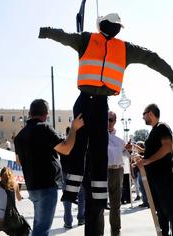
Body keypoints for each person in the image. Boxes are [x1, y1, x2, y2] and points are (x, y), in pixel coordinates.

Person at [38, 13, 173, 236]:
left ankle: (91, 198)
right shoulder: (100, 43)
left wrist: (45, 32)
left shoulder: (102, 43)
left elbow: (152, 58)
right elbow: (152, 58)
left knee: (93, 150)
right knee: (85, 148)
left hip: (96, 103)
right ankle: (74, 193)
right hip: (92, 103)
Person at [14, 99, 84, 236]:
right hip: (46, 186)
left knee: (39, 224)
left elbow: (18, 162)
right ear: (46, 114)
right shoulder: (44, 128)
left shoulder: (20, 136)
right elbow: (65, 148)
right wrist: (74, 128)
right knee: (42, 229)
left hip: (32, 186)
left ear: (30, 113)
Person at [134, 104, 173, 236]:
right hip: (156, 180)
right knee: (162, 213)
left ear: (150, 113)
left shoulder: (162, 127)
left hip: (165, 179)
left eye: (143, 114)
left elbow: (168, 147)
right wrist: (143, 157)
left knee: (169, 210)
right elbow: (155, 151)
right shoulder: (154, 130)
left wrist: (148, 160)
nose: (142, 117)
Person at [107, 111, 130, 236]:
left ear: (115, 121)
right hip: (102, 171)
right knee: (99, 204)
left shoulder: (121, 136)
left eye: (110, 120)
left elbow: (126, 154)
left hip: (117, 170)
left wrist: (128, 148)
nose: (108, 122)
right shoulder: (98, 134)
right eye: (106, 119)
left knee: (115, 205)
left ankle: (115, 232)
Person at [60, 126, 85, 229]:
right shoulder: (80, 144)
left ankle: (68, 222)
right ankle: (81, 218)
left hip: (66, 174)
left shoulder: (63, 144)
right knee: (81, 197)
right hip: (78, 173)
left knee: (67, 198)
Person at [0, 167, 22, 236]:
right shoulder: (15, 185)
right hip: (9, 222)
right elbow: (19, 199)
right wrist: (17, 189)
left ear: (0, 176)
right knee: (18, 227)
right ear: (11, 176)